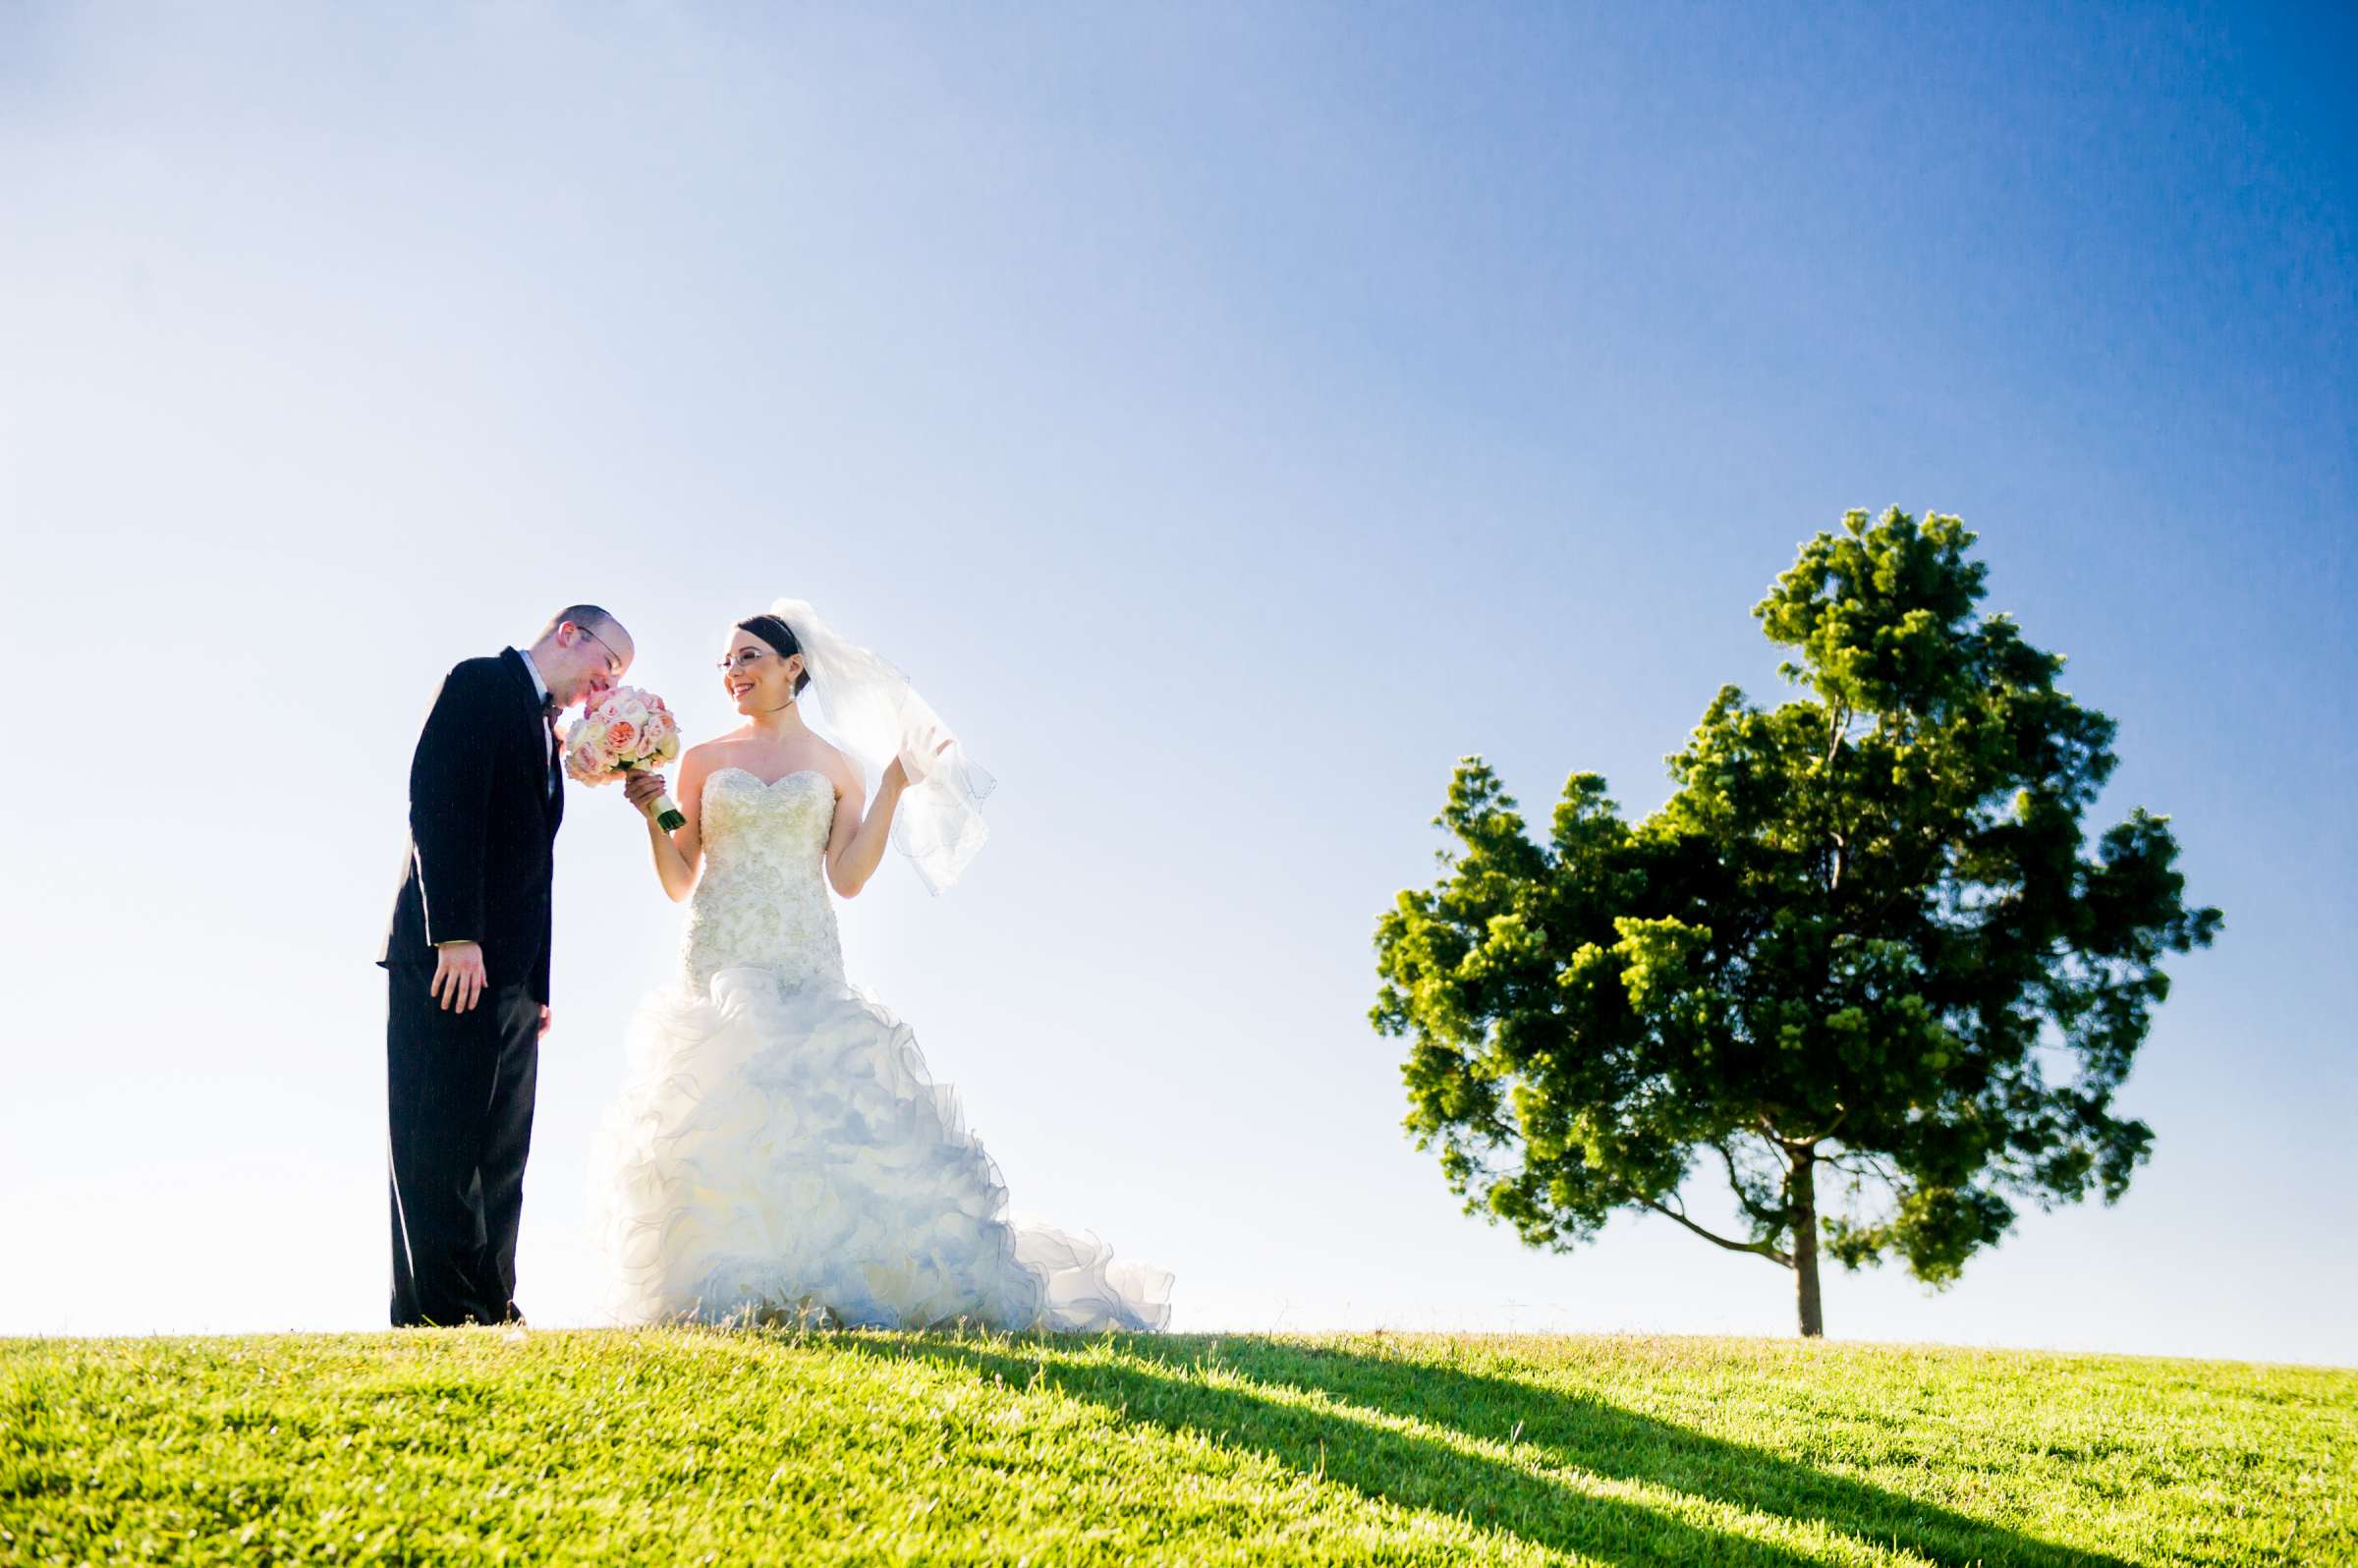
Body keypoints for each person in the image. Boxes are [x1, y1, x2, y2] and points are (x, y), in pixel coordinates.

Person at [590, 600, 1170, 1330]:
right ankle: (731, 1289)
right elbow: (681, 876)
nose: (732, 674)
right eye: (726, 664)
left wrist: (895, 783)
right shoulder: (703, 761)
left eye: (747, 659)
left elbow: (848, 877)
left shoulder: (836, 766)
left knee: (813, 1121)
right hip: (721, 950)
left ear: (792, 667)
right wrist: (653, 813)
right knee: (720, 1110)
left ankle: (819, 1285)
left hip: (803, 951)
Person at [380, 605, 632, 1327]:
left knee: (500, 1151)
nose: (606, 684)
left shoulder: (548, 734)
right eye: (607, 664)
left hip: (512, 978)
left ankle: (490, 1304)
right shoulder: (481, 683)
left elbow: (534, 870)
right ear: (568, 634)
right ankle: (440, 1312)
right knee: (441, 1134)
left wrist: (538, 986)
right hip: (450, 958)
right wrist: (454, 934)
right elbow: (439, 803)